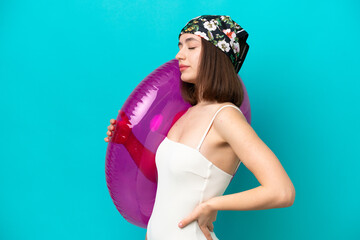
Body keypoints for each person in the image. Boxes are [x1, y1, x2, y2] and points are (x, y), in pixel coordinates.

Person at [104, 15, 295, 240]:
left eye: (191, 46)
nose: (179, 55)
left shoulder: (225, 117)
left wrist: (213, 205)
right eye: (180, 46)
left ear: (217, 55)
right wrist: (128, 140)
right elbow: (169, 180)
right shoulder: (187, 113)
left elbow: (282, 191)